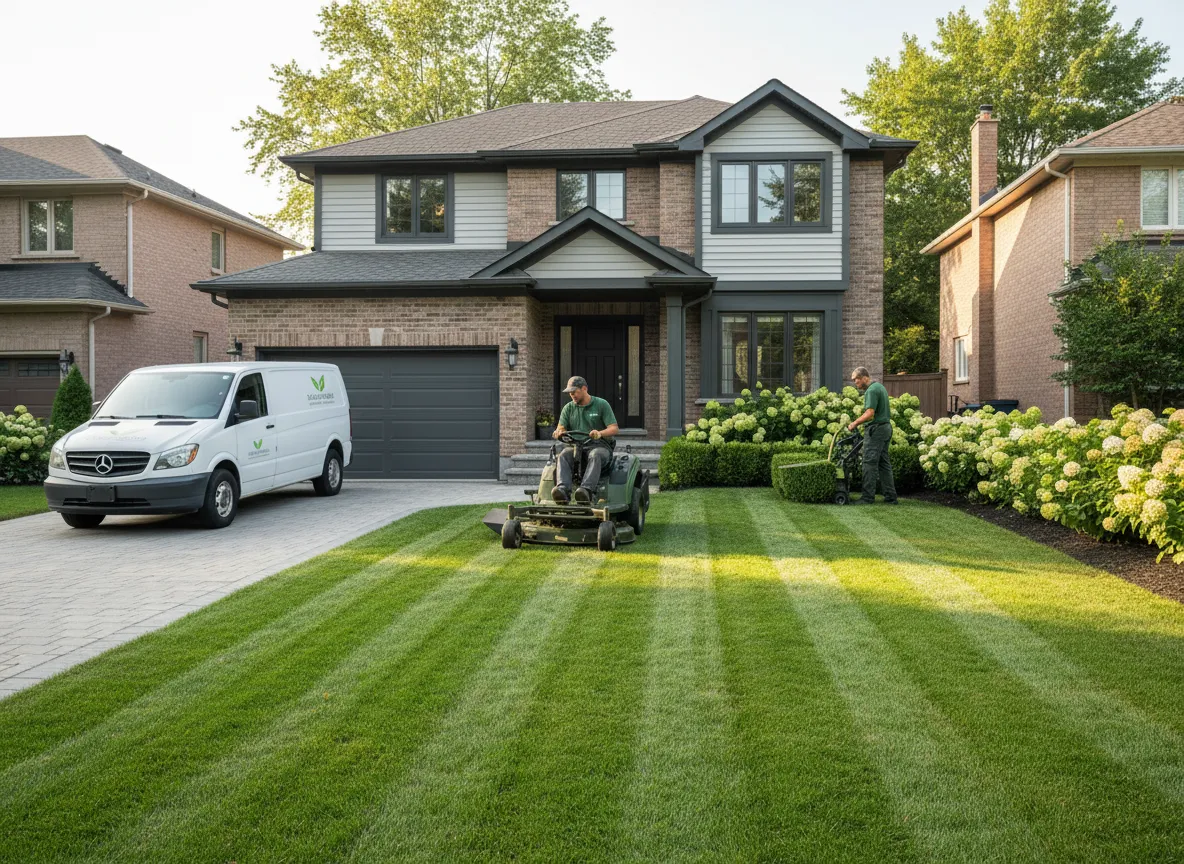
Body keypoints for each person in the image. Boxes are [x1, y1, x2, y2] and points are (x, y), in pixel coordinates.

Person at [551, 375, 619, 504]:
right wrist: (559, 433)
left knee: (595, 455)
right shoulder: (568, 408)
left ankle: (586, 491)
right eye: (570, 393)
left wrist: (600, 433)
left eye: (574, 392)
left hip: (600, 446)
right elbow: (561, 428)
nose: (572, 395)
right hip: (576, 447)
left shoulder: (601, 404)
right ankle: (563, 490)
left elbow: (614, 428)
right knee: (563, 455)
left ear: (584, 389)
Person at [846, 366, 897, 505]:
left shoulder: (871, 390)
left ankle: (867, 498)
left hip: (877, 430)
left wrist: (854, 423)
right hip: (886, 428)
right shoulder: (880, 387)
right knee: (883, 463)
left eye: (856, 379)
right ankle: (891, 497)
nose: (855, 382)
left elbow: (870, 413)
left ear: (864, 377)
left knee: (869, 463)